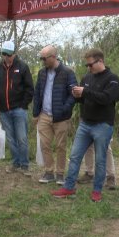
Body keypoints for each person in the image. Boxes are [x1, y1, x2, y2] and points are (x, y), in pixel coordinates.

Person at [51, 48, 119, 202]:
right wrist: (77, 95)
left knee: (100, 159)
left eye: (91, 65)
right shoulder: (87, 78)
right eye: (87, 65)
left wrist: (85, 92)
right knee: (75, 156)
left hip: (103, 125)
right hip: (85, 124)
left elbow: (106, 98)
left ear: (100, 61)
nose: (88, 68)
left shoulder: (112, 79)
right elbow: (84, 99)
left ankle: (97, 190)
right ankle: (69, 187)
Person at [33, 45, 77, 185]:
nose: (42, 61)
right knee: (44, 145)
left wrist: (65, 109)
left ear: (53, 57)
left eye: (44, 58)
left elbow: (73, 94)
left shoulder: (68, 72)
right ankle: (49, 172)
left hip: (61, 117)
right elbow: (37, 93)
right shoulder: (42, 73)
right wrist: (36, 113)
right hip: (44, 115)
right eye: (41, 58)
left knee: (60, 146)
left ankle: (60, 174)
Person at [0, 40, 34, 175]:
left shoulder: (22, 67)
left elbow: (29, 88)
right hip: (3, 111)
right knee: (10, 139)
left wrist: (23, 105)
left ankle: (25, 165)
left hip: (19, 110)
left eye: (9, 54)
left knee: (22, 138)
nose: (6, 57)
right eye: (4, 54)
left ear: (14, 53)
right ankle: (15, 163)